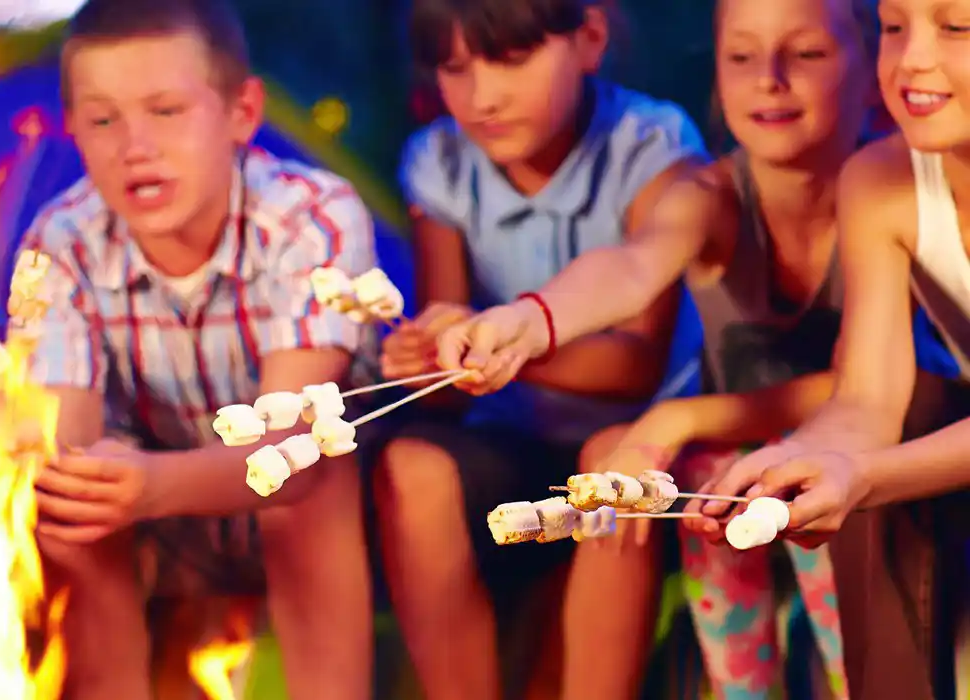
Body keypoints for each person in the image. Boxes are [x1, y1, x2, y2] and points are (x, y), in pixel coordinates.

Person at [423, 0, 879, 696]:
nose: (770, 80)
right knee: (694, 485)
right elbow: (634, 267)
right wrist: (530, 320)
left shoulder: (889, 190)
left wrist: (674, 420)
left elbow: (864, 388)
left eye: (808, 55)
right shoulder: (710, 193)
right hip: (736, 464)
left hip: (864, 455)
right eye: (742, 57)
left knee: (798, 475)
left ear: (872, 63)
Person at [16, 1, 377, 698]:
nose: (134, 146)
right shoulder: (61, 240)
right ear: (74, 134)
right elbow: (68, 440)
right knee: (69, 513)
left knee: (316, 471)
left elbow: (289, 449)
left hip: (328, 516)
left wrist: (152, 484)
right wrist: (90, 478)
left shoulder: (310, 217)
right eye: (102, 120)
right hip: (162, 523)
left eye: (166, 111)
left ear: (242, 113)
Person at [375, 1, 706, 698]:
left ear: (589, 39)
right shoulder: (438, 161)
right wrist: (429, 359)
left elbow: (635, 367)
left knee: (607, 466)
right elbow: (449, 354)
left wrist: (498, 343)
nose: (482, 96)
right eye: (455, 69)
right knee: (411, 467)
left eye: (511, 59)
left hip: (643, 432)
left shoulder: (652, 145)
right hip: (512, 436)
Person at [648, 0, 970, 693]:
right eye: (893, 26)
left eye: (956, 27)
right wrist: (791, 461)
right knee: (858, 450)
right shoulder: (882, 181)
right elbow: (868, 396)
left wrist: (862, 474)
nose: (912, 57)